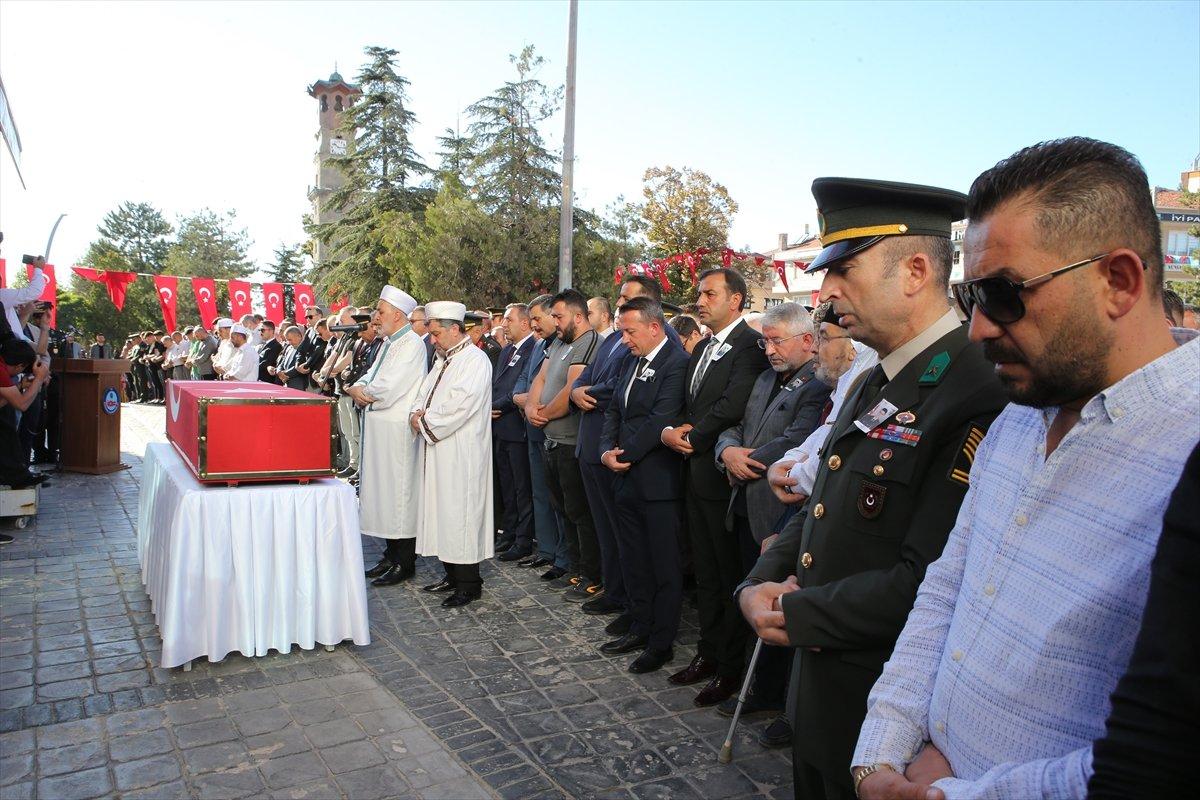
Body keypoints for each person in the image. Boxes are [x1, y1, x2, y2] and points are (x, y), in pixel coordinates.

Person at [850, 138, 1200, 800]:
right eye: (969, 294)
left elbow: (1169, 756)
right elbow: (948, 589)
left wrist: (947, 797)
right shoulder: (1017, 418)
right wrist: (882, 752)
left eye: (1004, 294)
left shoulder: (1188, 450)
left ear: (1119, 281)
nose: (978, 327)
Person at [738, 176, 1007, 800]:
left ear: (915, 270)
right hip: (820, 688)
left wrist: (796, 611)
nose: (826, 294)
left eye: (844, 271)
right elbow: (822, 509)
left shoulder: (975, 391)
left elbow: (931, 577)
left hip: (887, 711)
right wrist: (761, 581)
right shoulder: (872, 382)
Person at [713, 301, 831, 721]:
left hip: (776, 508)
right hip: (741, 503)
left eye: (776, 340)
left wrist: (748, 462)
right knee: (743, 593)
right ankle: (749, 678)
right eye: (764, 340)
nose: (769, 349)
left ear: (806, 340)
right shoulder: (764, 379)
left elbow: (796, 440)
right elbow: (736, 426)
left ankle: (771, 693)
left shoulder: (817, 386)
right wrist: (727, 451)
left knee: (775, 602)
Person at [662, 267, 768, 707]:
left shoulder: (749, 347)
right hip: (693, 473)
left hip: (721, 477)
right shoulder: (703, 345)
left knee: (726, 575)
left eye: (710, 293)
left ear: (737, 300)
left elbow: (733, 404)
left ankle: (729, 667)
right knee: (704, 571)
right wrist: (674, 428)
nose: (700, 301)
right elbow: (690, 401)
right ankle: (707, 653)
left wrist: (692, 437)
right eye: (699, 293)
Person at [1088, 442, 1197, 799]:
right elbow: (946, 581)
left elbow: (1160, 743)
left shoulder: (1184, 433)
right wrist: (905, 736)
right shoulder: (1016, 420)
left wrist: (952, 793)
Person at [598, 296, 690, 672]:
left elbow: (660, 419)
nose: (625, 340)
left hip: (658, 483)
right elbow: (615, 410)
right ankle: (639, 624)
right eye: (621, 332)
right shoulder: (631, 361)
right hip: (625, 477)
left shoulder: (677, 364)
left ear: (655, 327)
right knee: (633, 558)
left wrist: (624, 455)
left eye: (630, 332)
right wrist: (606, 450)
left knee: (663, 564)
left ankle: (661, 641)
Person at [411, 301, 495, 608]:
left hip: (462, 451)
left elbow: (460, 405)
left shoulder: (475, 360)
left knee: (461, 514)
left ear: (455, 329)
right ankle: (452, 574)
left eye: (436, 334)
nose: (432, 340)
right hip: (439, 449)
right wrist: (416, 413)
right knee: (442, 512)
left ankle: (469, 583)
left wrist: (423, 421)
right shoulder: (442, 359)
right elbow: (422, 393)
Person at [526, 289, 602, 599]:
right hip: (551, 440)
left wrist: (542, 413)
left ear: (578, 316)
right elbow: (541, 379)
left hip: (571, 442)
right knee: (562, 509)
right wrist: (531, 406)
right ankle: (573, 567)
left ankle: (592, 574)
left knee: (580, 513)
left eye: (559, 316)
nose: (554, 322)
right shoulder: (558, 343)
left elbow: (572, 391)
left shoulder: (588, 343)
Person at [349, 287, 427, 586]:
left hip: (396, 433)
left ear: (397, 314)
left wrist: (361, 391)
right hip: (380, 428)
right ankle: (390, 554)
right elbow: (371, 374)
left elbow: (389, 386)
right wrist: (360, 385)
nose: (375, 317)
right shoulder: (387, 344)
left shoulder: (411, 345)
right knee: (383, 493)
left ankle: (404, 561)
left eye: (380, 312)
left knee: (399, 497)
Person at [511, 296, 568, 579]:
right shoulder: (538, 345)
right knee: (539, 493)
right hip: (531, 424)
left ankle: (562, 556)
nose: (533, 324)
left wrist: (533, 403)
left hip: (551, 424)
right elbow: (527, 380)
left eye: (537, 318)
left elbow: (554, 387)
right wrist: (522, 399)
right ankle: (545, 550)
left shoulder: (562, 344)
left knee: (558, 498)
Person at [492, 304, 538, 561]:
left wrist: (493, 406)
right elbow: (497, 384)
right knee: (507, 485)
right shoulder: (508, 349)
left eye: (509, 320)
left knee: (522, 487)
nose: (504, 324)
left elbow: (517, 389)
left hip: (516, 426)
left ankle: (523, 539)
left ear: (524, 323)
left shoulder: (533, 347)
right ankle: (508, 532)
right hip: (500, 427)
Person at [410, 304, 435, 370]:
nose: (410, 325)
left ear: (425, 322)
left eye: (413, 321)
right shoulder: (411, 342)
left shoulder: (432, 345)